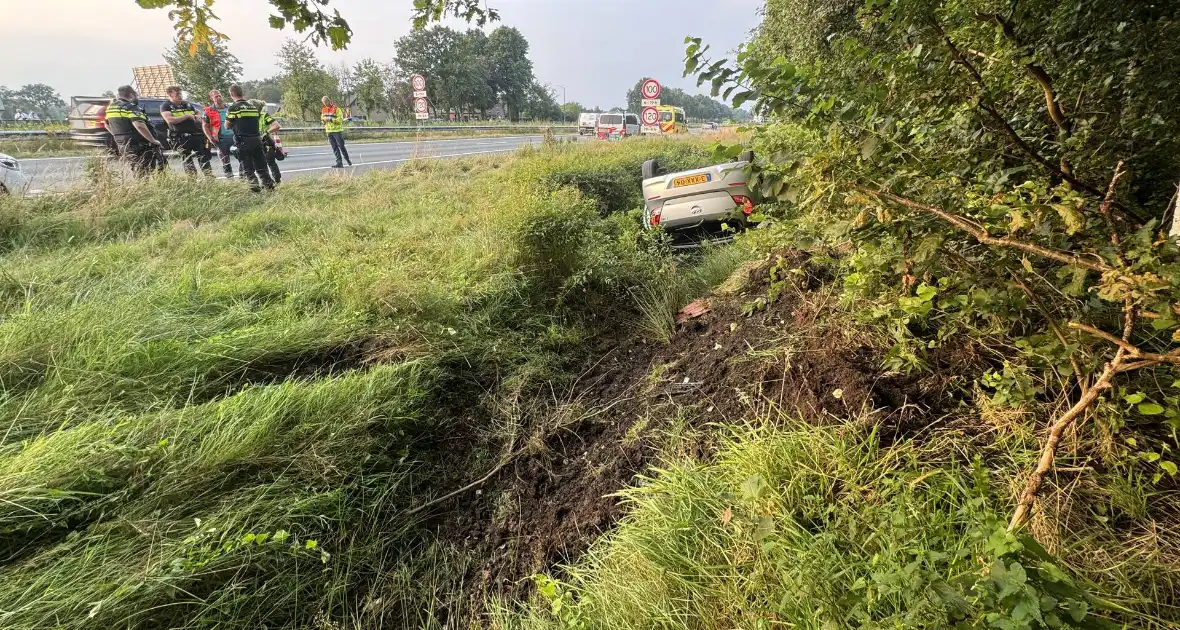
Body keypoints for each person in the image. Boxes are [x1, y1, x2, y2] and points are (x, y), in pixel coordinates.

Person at [104, 85, 165, 177]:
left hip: (123, 145)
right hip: (139, 145)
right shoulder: (131, 107)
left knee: (136, 170)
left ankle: (140, 188)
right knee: (145, 172)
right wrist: (153, 140)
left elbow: (106, 124)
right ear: (132, 95)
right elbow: (139, 126)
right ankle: (145, 189)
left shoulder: (111, 108)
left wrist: (117, 135)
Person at [225, 85, 274, 192]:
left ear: (231, 94)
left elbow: (227, 126)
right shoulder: (252, 107)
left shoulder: (233, 108)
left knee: (248, 170)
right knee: (262, 168)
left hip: (243, 141)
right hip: (256, 140)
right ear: (241, 92)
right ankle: (270, 189)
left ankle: (255, 192)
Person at [161, 86, 216, 177]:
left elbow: (196, 112)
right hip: (180, 138)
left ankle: (209, 178)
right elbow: (170, 120)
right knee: (187, 159)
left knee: (203, 157)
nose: (180, 95)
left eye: (180, 93)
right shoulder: (165, 106)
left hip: (195, 135)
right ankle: (192, 180)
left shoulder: (187, 104)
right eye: (177, 94)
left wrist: (198, 116)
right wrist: (187, 116)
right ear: (170, 94)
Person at [206, 89, 239, 178]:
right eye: (216, 96)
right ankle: (229, 175)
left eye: (219, 95)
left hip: (233, 136)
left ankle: (243, 172)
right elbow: (205, 125)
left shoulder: (229, 108)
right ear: (211, 98)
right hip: (221, 138)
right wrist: (210, 138)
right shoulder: (209, 110)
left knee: (240, 155)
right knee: (224, 158)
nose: (219, 97)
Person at [249, 99, 283, 185]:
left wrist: (266, 132)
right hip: (258, 141)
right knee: (267, 163)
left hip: (265, 141)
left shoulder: (264, 115)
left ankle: (275, 181)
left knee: (269, 162)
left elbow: (277, 125)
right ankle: (272, 182)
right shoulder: (250, 117)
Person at [321, 96, 351, 168]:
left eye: (326, 102)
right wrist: (323, 121)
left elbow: (340, 120)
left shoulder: (337, 109)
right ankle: (339, 163)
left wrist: (331, 120)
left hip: (337, 131)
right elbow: (322, 119)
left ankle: (347, 159)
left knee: (341, 146)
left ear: (329, 101)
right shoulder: (323, 110)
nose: (325, 104)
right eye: (324, 103)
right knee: (334, 148)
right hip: (329, 131)